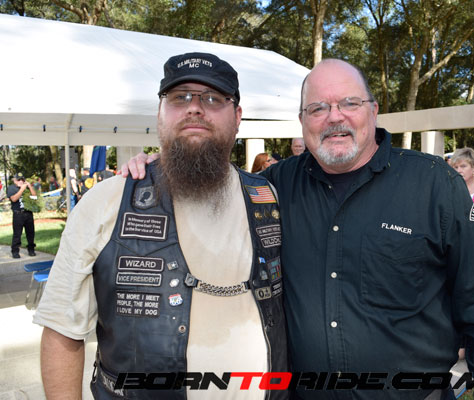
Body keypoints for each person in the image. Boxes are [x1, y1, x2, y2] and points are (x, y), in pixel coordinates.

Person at [125, 59, 474, 399]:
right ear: (302, 121)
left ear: (373, 110)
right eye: (318, 108)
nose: (335, 117)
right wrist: (155, 169)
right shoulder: (272, 189)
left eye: (349, 103)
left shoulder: (434, 185)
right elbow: (206, 193)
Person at [34, 52, 288, 400]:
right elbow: (62, 330)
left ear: (237, 117)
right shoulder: (106, 202)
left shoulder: (268, 197)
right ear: (160, 114)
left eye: (213, 98)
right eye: (179, 97)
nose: (194, 108)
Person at [7, 172, 36, 258]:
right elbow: (14, 199)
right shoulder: (12, 188)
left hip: (28, 213)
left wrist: (30, 187)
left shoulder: (27, 187)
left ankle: (31, 249)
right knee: (17, 234)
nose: (20, 181)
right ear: (14, 180)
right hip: (18, 214)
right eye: (18, 180)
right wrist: (22, 189)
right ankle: (15, 251)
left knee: (30, 233)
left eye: (22, 179)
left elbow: (35, 198)